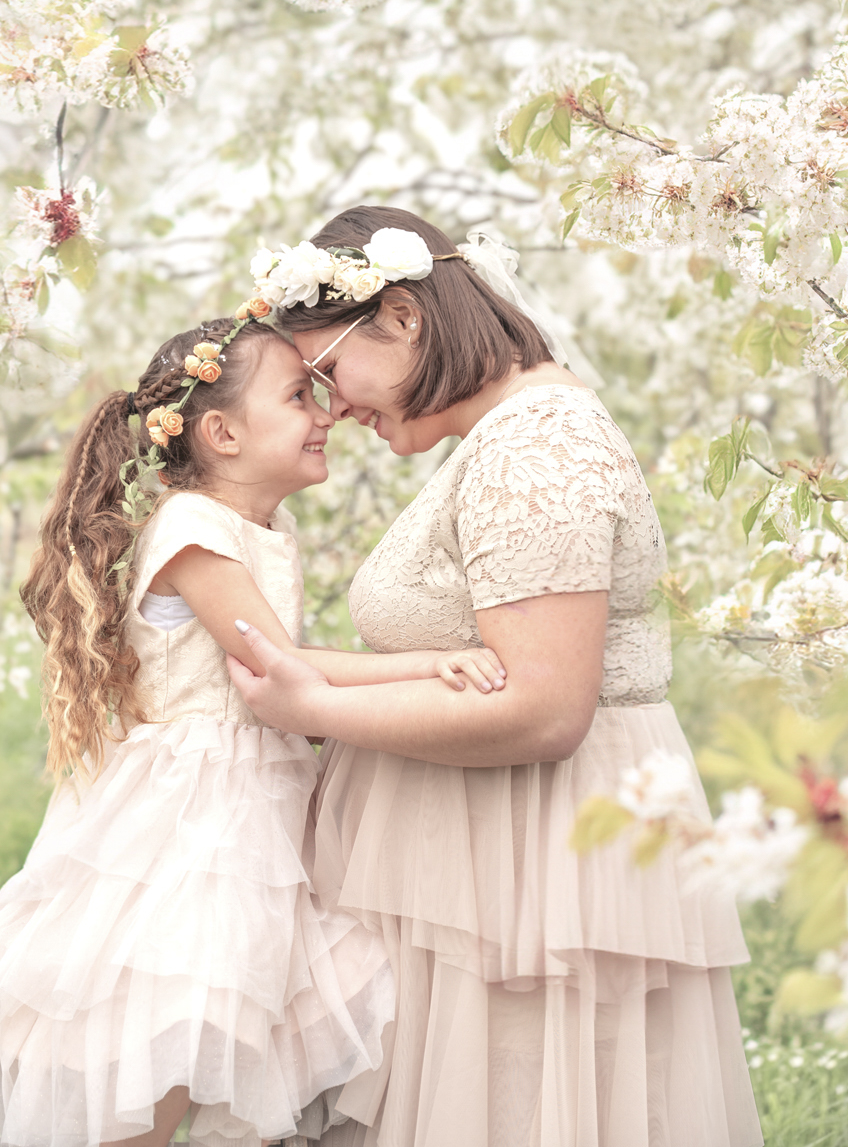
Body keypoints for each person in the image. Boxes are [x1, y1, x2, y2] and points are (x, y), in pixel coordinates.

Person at [226, 208, 764, 1147]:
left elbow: (545, 710)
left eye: (326, 372)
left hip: (534, 861)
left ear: (403, 317)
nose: (332, 408)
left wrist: (318, 706)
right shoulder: (507, 437)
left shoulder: (538, 448)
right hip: (483, 858)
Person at [0, 309, 508, 1147]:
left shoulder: (259, 529)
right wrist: (431, 664)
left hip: (254, 806)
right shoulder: (191, 529)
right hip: (194, 821)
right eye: (299, 397)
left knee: (265, 1006)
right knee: (178, 1022)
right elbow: (277, 664)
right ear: (222, 433)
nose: (326, 416)